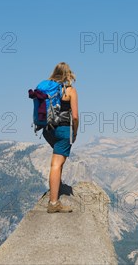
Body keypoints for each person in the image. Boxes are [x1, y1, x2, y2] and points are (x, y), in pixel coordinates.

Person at [42, 62, 79, 213]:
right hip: (63, 130)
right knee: (56, 164)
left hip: (48, 130)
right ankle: (53, 203)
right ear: (68, 75)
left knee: (57, 161)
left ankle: (56, 187)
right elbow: (75, 116)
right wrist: (74, 133)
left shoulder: (47, 90)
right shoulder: (70, 91)